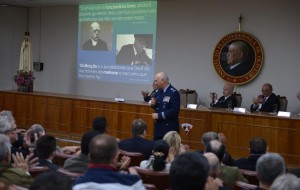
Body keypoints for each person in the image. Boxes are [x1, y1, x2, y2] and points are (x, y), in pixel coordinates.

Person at [73, 134, 145, 190]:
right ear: (115, 158)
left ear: (89, 157)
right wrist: (137, 180)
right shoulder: (132, 182)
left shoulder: (77, 185)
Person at [151, 72, 180, 140]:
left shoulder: (173, 92)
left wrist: (159, 115)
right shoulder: (158, 91)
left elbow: (175, 110)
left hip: (169, 128)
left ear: (162, 80)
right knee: (157, 148)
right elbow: (158, 106)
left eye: (156, 81)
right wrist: (154, 104)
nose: (155, 83)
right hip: (158, 128)